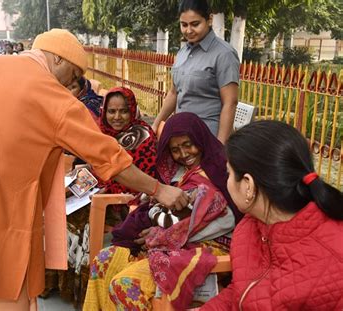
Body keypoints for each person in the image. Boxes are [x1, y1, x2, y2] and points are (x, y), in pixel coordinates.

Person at [0, 28, 188, 309]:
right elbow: (110, 158)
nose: (71, 85)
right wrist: (159, 189)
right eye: (73, 76)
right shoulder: (51, 96)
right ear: (59, 60)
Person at [84, 112, 237, 311]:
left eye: (188, 144)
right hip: (165, 243)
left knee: (125, 285)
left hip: (205, 247)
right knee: (103, 261)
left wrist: (163, 235)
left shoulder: (220, 170)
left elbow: (227, 220)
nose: (183, 154)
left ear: (200, 139)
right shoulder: (176, 171)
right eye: (175, 149)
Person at [200, 120, 343, 310]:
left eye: (228, 174)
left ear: (248, 185)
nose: (226, 181)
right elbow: (241, 292)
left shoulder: (334, 260)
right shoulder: (250, 226)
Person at [42, 86, 158, 307]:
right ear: (104, 112)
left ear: (132, 111)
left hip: (125, 202)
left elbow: (140, 177)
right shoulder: (104, 134)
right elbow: (99, 168)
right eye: (111, 111)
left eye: (123, 111)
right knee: (57, 207)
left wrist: (103, 185)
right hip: (100, 192)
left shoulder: (142, 136)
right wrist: (84, 175)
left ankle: (81, 290)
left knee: (78, 218)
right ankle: (56, 281)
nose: (117, 117)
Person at [152, 0, 240, 144]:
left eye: (195, 24)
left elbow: (230, 103)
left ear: (209, 20)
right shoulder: (182, 52)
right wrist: (155, 125)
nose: (188, 30)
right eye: (184, 25)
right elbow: (174, 93)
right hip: (181, 134)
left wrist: (220, 145)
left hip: (207, 135)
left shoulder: (224, 54)